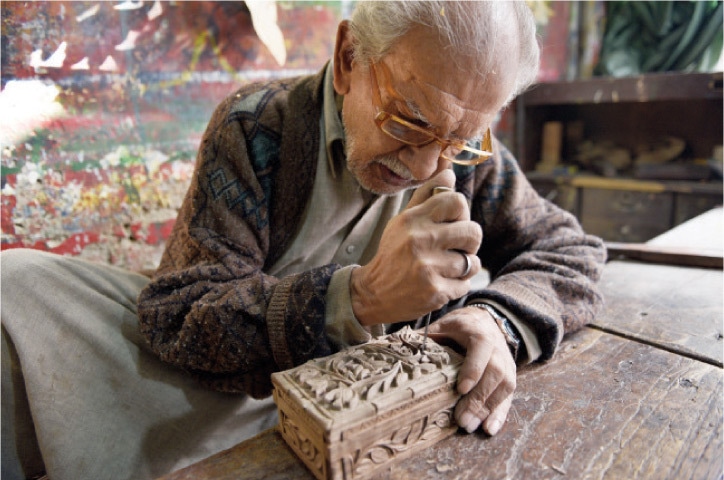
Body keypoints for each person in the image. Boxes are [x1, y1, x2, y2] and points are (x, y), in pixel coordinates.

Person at [1, 2, 606, 479]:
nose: (427, 165)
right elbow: (181, 318)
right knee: (17, 289)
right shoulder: (257, 127)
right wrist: (359, 299)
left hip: (356, 391)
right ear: (348, 58)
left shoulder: (468, 151)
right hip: (230, 378)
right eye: (407, 120)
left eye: (458, 140)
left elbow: (571, 252)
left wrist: (494, 321)